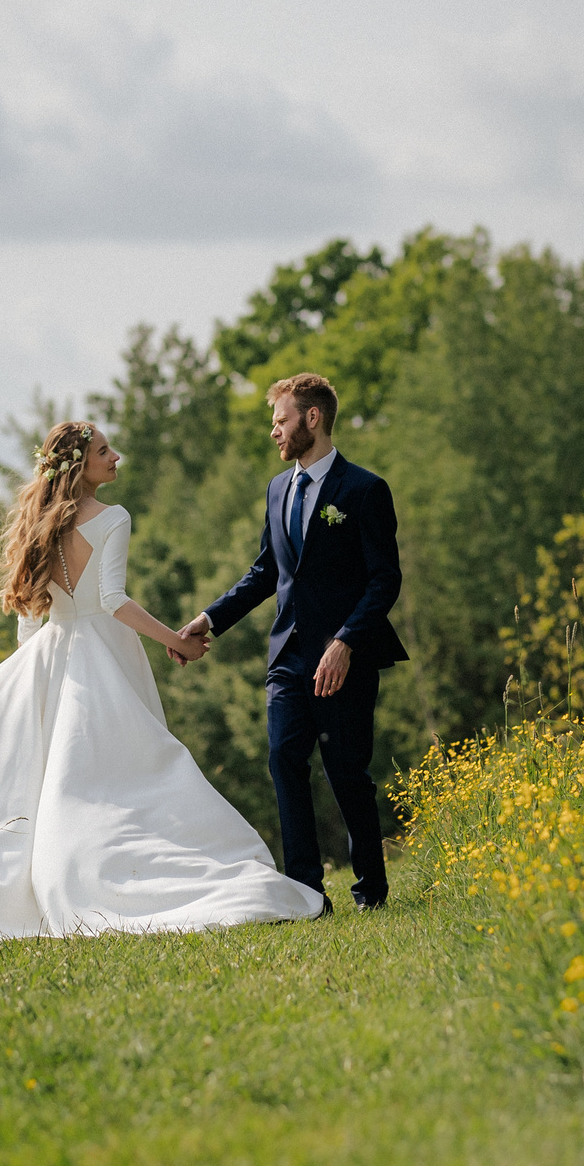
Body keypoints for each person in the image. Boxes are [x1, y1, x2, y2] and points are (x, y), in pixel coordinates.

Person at [0, 421, 324, 938]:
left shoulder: (39, 523)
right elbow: (111, 600)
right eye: (105, 451)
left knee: (46, 775)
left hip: (49, 653)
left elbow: (28, 621)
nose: (117, 456)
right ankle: (108, 875)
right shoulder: (111, 518)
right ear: (79, 466)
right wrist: (173, 638)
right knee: (123, 772)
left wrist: (32, 673)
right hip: (100, 655)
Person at [180, 372, 406, 912]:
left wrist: (347, 641)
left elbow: (385, 579)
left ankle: (370, 891)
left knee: (347, 773)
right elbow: (265, 572)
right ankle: (306, 890)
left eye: (280, 420)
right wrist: (209, 619)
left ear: (312, 418)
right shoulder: (278, 489)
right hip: (287, 657)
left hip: (345, 659)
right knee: (284, 759)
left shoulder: (364, 490)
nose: (274, 432)